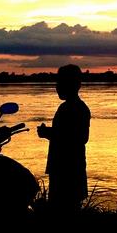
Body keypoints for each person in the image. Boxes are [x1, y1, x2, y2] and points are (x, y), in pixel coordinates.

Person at [37, 64, 91, 214]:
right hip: (64, 167)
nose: (57, 87)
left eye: (59, 83)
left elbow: (79, 138)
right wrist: (49, 133)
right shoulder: (69, 107)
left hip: (69, 169)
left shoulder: (76, 108)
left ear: (71, 84)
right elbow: (68, 134)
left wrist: (49, 133)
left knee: (64, 210)